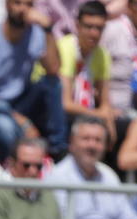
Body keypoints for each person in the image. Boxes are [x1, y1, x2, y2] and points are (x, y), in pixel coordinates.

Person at [0, 0, 64, 161]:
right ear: (7, 5)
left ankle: (58, 153)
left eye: (29, 4)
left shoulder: (35, 33)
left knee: (52, 84)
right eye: (18, 3)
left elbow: (53, 69)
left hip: (22, 101)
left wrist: (48, 29)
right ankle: (10, 174)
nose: (23, 9)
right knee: (5, 128)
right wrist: (22, 121)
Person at [56, 1, 116, 144]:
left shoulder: (103, 54)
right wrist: (99, 115)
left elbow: (105, 101)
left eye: (99, 28)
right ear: (77, 26)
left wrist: (109, 123)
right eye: (89, 27)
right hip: (59, 114)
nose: (94, 33)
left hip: (86, 113)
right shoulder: (65, 47)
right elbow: (66, 104)